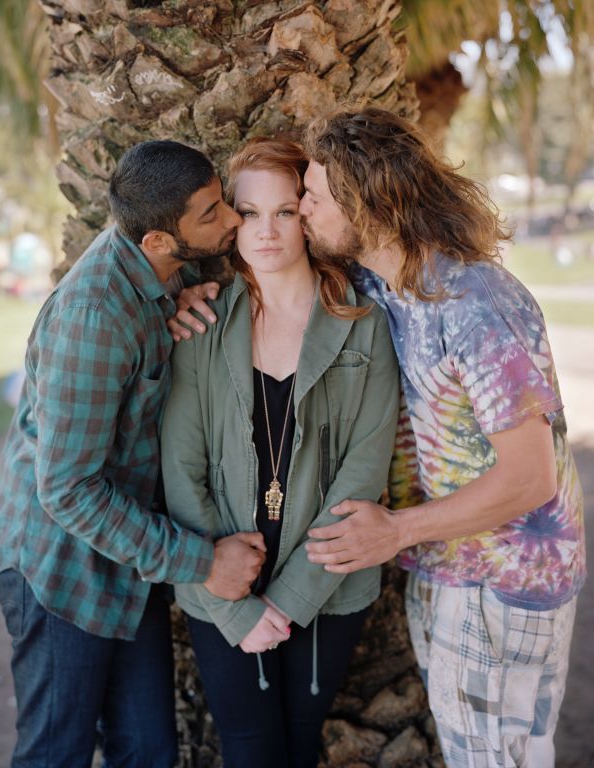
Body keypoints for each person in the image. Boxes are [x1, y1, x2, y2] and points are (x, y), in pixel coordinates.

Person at [299, 106, 586, 768]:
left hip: (505, 581)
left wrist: (396, 531)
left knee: (496, 760)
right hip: (449, 563)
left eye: (314, 197)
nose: (303, 209)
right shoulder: (389, 283)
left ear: (363, 201)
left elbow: (529, 478)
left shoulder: (476, 303)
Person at [0, 140, 268, 768]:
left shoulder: (164, 271)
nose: (232, 220)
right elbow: (66, 490)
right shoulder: (95, 318)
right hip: (60, 572)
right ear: (157, 243)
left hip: (128, 563)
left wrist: (183, 296)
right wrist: (201, 562)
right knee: (55, 755)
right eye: (211, 213)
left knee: (146, 752)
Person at [160, 137, 400, 768]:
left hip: (327, 582)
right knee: (249, 748)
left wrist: (290, 599)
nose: (266, 231)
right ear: (230, 220)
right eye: (249, 213)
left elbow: (365, 468)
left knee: (297, 745)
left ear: (309, 215)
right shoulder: (203, 322)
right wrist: (235, 613)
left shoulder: (360, 323)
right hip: (220, 585)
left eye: (286, 211)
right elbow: (181, 469)